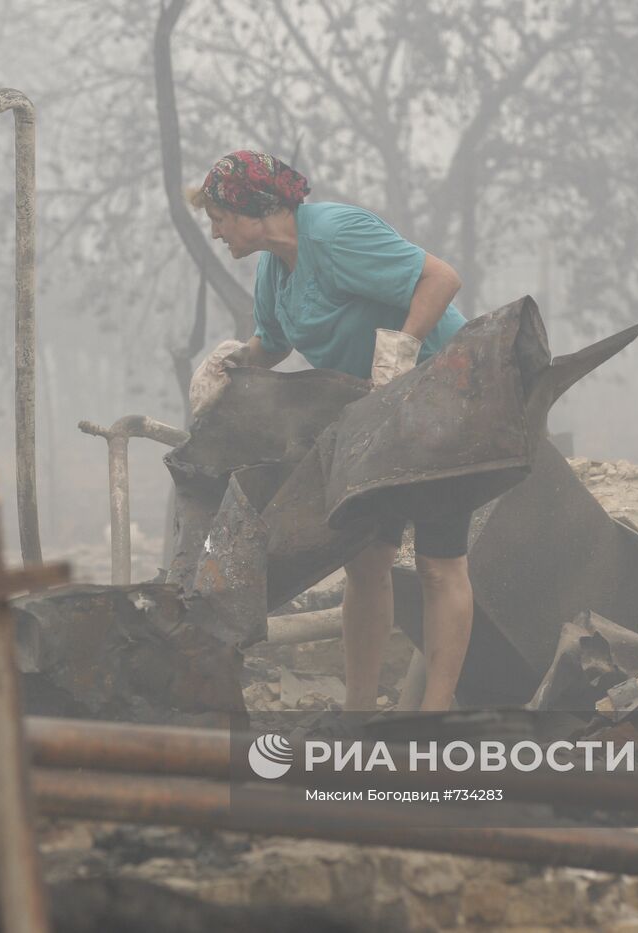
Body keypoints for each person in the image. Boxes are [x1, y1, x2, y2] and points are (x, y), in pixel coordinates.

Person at [187, 150, 473, 712]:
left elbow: (442, 279)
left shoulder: (337, 233)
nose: (217, 232)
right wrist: (228, 364)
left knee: (441, 565)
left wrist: (403, 347)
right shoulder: (274, 267)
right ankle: (360, 714)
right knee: (366, 562)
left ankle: (433, 718)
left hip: (440, 398)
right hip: (371, 414)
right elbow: (272, 343)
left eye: (219, 217)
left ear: (252, 208)